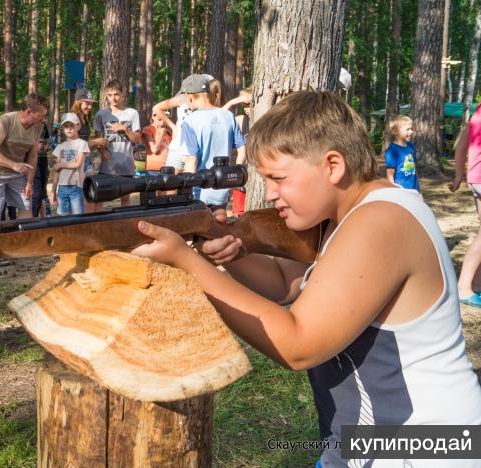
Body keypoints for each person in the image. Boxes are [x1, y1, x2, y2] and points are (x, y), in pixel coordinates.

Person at [132, 91, 481, 466]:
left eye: (278, 178)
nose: (270, 194)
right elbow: (289, 284)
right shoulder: (349, 215)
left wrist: (187, 262)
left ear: (332, 165)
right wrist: (226, 252)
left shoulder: (380, 222)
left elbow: (298, 345)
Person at [0, 93, 48, 266]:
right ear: (28, 111)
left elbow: (33, 155)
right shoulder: (6, 121)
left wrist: (29, 182)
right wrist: (14, 165)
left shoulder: (37, 126)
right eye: (41, 114)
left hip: (18, 171)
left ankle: (21, 247)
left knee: (26, 206)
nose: (44, 118)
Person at [178, 75, 246, 209]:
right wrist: (234, 178)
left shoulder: (190, 121)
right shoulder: (228, 116)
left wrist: (185, 189)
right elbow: (242, 150)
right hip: (223, 189)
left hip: (199, 192)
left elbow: (192, 160)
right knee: (220, 226)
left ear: (189, 96)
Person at [449, 102, 481, 307]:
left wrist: (459, 175)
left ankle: (476, 285)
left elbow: (460, 147)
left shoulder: (478, 110)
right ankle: (463, 287)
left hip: (476, 178)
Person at [93, 79, 141, 206]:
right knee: (101, 199)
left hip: (126, 165)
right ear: (106, 95)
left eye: (116, 94)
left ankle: (124, 224)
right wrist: (102, 151)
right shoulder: (100, 115)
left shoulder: (132, 113)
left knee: (125, 200)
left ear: (122, 94)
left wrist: (125, 129)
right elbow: (98, 138)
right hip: (107, 166)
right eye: (110, 95)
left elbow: (137, 139)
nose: (113, 98)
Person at [152, 74, 214, 173]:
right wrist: (173, 127)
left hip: (199, 153)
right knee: (170, 184)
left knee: (193, 185)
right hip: (178, 149)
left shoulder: (211, 104)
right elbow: (156, 108)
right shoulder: (182, 98)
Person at [61, 88, 108, 212]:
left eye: (91, 103)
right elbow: (73, 144)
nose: (90, 106)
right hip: (75, 164)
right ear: (77, 102)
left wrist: (96, 144)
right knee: (78, 200)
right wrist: (96, 141)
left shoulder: (84, 119)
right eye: (86, 103)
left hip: (85, 162)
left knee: (90, 198)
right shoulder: (72, 119)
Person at [50, 112, 90, 215]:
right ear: (62, 129)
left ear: (78, 126)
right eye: (66, 126)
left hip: (76, 187)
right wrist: (53, 190)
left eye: (71, 126)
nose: (69, 129)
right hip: (62, 187)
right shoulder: (60, 147)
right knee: (62, 216)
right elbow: (56, 171)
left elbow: (78, 164)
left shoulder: (82, 143)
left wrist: (61, 165)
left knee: (78, 216)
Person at [222, 87, 253, 216]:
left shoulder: (266, 118)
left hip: (260, 171)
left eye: (249, 104)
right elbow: (220, 115)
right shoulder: (241, 120)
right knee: (239, 214)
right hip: (244, 171)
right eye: (243, 105)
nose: (246, 108)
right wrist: (234, 101)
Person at [385, 115, 420, 192]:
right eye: (407, 129)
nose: (411, 132)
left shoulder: (411, 146)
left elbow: (414, 171)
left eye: (411, 129)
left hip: (414, 190)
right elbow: (390, 176)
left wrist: (419, 192)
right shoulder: (391, 151)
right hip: (401, 191)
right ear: (395, 131)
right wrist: (394, 193)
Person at [141, 109, 172, 175]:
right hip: (154, 169)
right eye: (159, 119)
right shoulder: (148, 129)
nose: (162, 122)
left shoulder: (169, 131)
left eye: (164, 119)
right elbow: (154, 150)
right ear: (153, 116)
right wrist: (162, 133)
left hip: (168, 168)